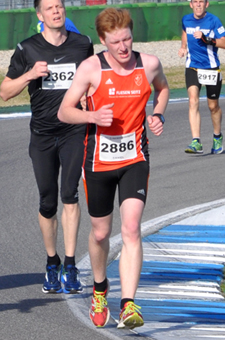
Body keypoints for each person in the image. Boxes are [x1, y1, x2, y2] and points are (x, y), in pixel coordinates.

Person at [58, 7, 169, 329]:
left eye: (127, 39)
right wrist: (92, 116)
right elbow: (65, 112)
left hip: (135, 157)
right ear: (103, 41)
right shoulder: (91, 69)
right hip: (98, 162)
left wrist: (158, 114)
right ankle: (100, 288)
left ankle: (129, 304)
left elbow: (162, 89)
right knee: (101, 231)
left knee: (132, 227)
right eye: (115, 42)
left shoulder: (148, 64)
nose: (123, 48)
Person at [0, 0, 93, 294]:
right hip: (42, 134)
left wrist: (88, 96)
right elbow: (4, 92)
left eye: (59, 6)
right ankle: (52, 261)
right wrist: (29, 75)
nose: (56, 11)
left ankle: (70, 263)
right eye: (50, 8)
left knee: (70, 193)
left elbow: (94, 80)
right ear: (40, 15)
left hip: (73, 131)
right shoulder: (27, 48)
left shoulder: (82, 45)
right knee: (47, 201)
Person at [178, 0, 225, 154]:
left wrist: (207, 39)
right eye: (195, 2)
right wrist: (183, 47)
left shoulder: (213, 21)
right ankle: (196, 141)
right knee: (193, 100)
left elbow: (224, 42)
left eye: (201, 2)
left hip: (210, 68)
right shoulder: (186, 19)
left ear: (207, 4)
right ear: (191, 4)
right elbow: (185, 31)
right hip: (192, 67)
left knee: (213, 106)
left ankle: (217, 136)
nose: (198, 5)